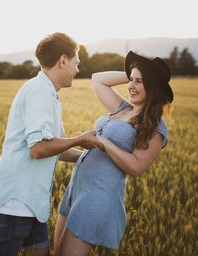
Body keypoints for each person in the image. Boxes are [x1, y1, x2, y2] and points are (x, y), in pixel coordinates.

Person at [0, 32, 103, 256]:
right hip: (15, 203)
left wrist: (87, 156)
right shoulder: (38, 91)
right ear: (63, 60)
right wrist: (81, 138)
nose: (77, 70)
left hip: (33, 206)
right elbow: (39, 149)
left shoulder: (49, 94)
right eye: (76, 63)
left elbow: (57, 149)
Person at [54, 51, 174, 256]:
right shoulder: (123, 108)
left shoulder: (154, 125)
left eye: (139, 82)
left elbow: (136, 167)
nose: (130, 86)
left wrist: (101, 141)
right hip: (76, 190)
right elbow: (98, 80)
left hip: (96, 196)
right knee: (58, 252)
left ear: (152, 87)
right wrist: (135, 73)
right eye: (131, 80)